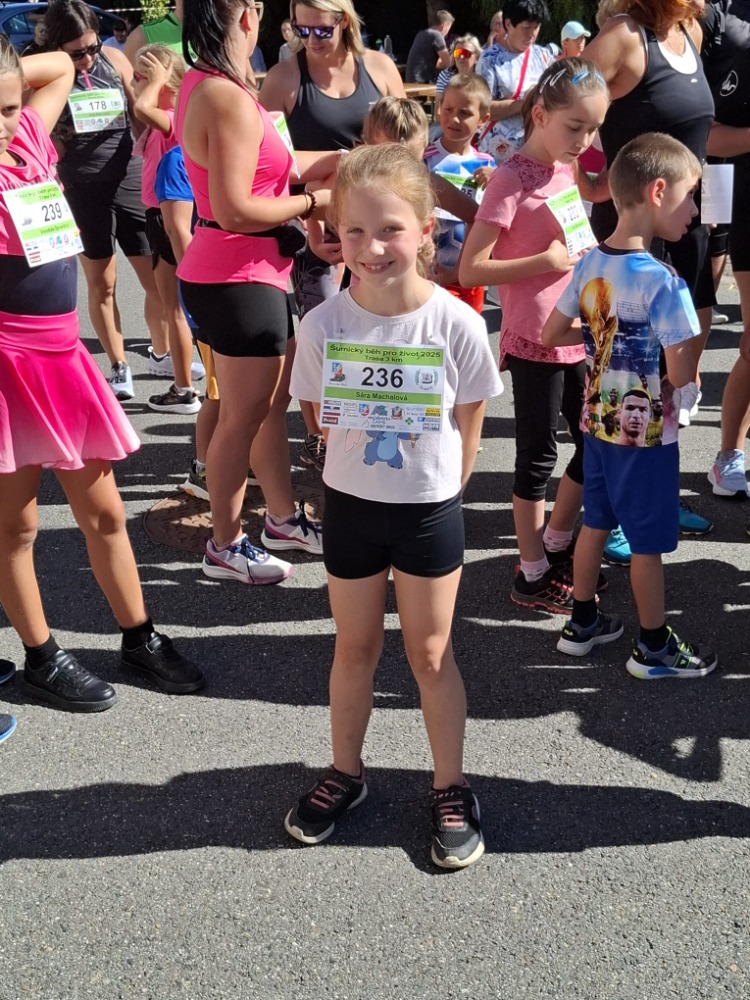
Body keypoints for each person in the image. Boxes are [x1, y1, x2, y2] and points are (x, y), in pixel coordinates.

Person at [286, 143, 503, 869]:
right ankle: (346, 772)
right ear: (334, 233)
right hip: (350, 506)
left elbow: (470, 423)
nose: (371, 248)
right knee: (353, 648)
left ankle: (451, 786)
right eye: (354, 231)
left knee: (430, 654)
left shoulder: (456, 325)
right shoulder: (322, 324)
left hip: (427, 512)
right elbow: (317, 417)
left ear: (427, 229)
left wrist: (443, 488)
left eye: (390, 230)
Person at [0, 41, 204, 712]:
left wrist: (10, 80)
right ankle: (41, 655)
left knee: (106, 513)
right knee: (16, 528)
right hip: (7, 367)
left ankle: (139, 637)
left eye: (7, 107)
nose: (3, 122)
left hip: (62, 360)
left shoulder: (30, 137)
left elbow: (60, 66)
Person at [178, 0, 346, 583]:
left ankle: (280, 520)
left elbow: (267, 166)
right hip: (237, 277)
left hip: (247, 273)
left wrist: (342, 161)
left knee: (267, 408)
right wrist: (314, 203)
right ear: (247, 16)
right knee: (241, 419)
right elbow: (234, 208)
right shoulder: (223, 94)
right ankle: (225, 545)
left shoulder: (211, 81)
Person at [543, 132, 718, 680]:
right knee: (647, 542)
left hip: (597, 419)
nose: (695, 211)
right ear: (658, 191)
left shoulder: (590, 262)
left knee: (595, 521)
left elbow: (553, 332)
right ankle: (653, 646)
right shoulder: (664, 281)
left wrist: (603, 336)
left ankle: (582, 622)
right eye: (691, 196)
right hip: (646, 433)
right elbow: (681, 373)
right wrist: (681, 363)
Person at [460, 58, 610, 614]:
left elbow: (577, 242)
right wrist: (541, 261)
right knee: (537, 457)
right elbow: (472, 268)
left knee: (595, 442)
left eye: (593, 129)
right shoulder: (510, 178)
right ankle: (531, 573)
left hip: (578, 332)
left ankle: (556, 541)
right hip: (533, 340)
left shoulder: (566, 169)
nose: (584, 140)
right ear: (541, 114)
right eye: (575, 127)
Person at [584, 0, 716, 551]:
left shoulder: (691, 32)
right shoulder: (624, 36)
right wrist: (589, 182)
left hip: (686, 228)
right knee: (627, 379)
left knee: (670, 378)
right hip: (635, 239)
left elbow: (700, 132)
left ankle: (655, 496)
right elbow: (562, 105)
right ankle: (615, 513)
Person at [260, 0, 405, 471]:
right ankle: (320, 434)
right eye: (300, 30)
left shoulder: (379, 69)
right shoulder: (284, 79)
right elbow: (268, 163)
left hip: (378, 227)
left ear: (343, 21)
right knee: (323, 334)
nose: (310, 41)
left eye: (321, 30)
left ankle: (375, 426)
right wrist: (314, 214)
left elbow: (406, 145)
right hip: (315, 229)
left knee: (379, 331)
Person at [45, 0, 168, 403]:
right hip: (82, 185)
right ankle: (118, 364)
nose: (86, 59)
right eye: (76, 53)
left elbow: (139, 113)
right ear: (57, 47)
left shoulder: (113, 60)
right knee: (103, 282)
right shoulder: (50, 75)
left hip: (127, 176)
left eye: (92, 48)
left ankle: (161, 352)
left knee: (157, 277)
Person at [132, 43, 201, 415]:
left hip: (167, 215)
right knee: (173, 305)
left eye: (140, 77)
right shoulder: (169, 115)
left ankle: (184, 389)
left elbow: (142, 107)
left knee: (175, 307)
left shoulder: (173, 116)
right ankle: (184, 378)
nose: (135, 84)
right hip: (160, 212)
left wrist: (155, 80)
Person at [424, 73, 494, 312]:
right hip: (430, 273)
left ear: (483, 119)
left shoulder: (488, 165)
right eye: (448, 109)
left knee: (468, 330)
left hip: (470, 275)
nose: (454, 118)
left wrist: (498, 180)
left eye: (464, 112)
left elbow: (493, 219)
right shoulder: (425, 159)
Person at [476, 0, 554, 164]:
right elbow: (483, 109)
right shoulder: (490, 59)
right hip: (497, 155)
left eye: (536, 27)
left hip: (535, 151)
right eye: (526, 28)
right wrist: (525, 103)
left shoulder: (544, 57)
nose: (532, 34)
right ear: (508, 24)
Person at [435, 33, 483, 113]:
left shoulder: (483, 77)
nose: (461, 57)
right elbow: (438, 111)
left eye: (465, 53)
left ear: (477, 57)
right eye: (458, 53)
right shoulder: (445, 76)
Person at [405, 9, 454, 83]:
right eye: (448, 29)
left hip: (411, 80)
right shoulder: (436, 35)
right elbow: (448, 64)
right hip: (422, 82)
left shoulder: (421, 33)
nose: (447, 33)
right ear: (443, 26)